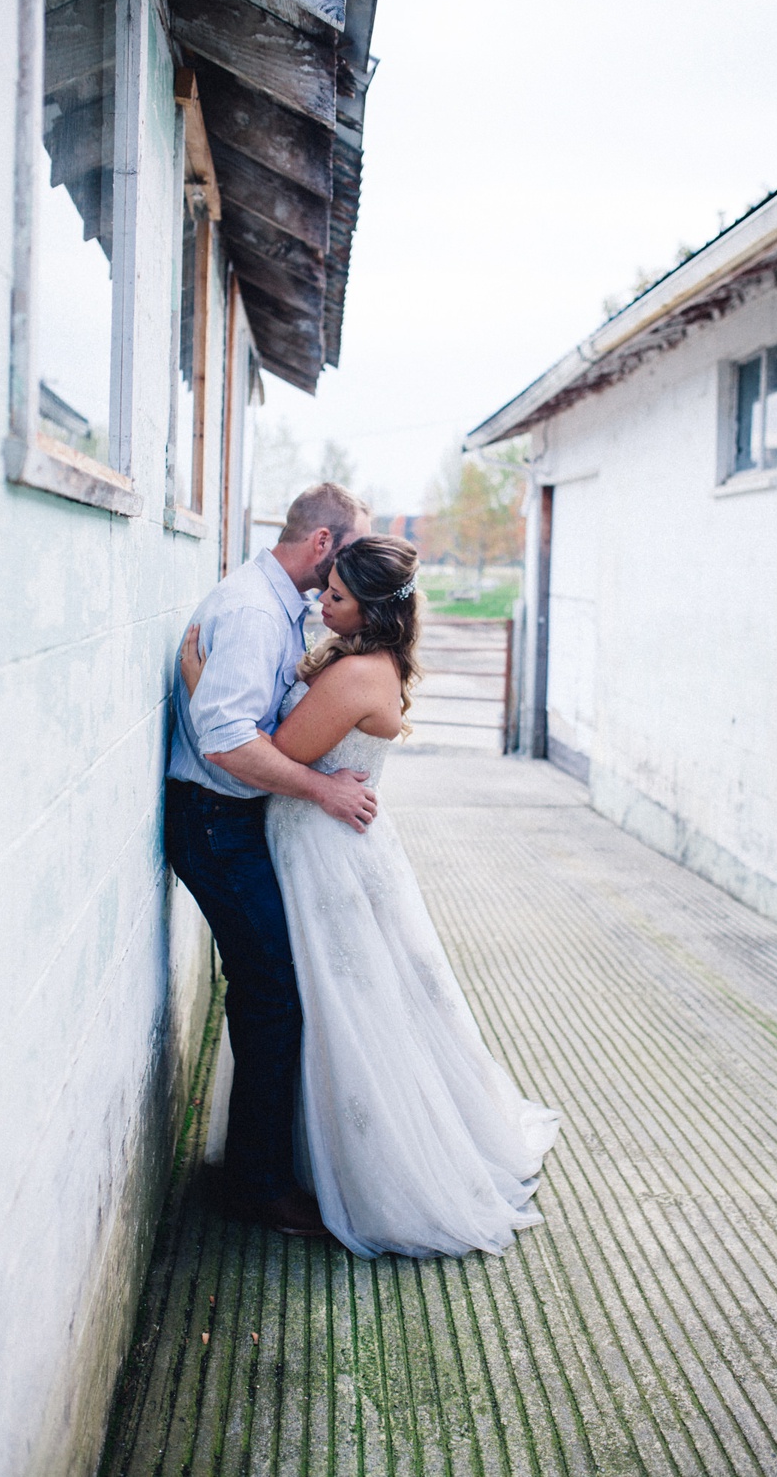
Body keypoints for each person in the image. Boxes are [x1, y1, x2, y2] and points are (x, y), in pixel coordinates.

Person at [182, 534, 560, 1258]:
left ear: (373, 612)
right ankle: (298, 1159)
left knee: (346, 1005)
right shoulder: (360, 662)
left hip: (324, 855)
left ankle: (375, 1172)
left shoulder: (356, 675)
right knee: (335, 1004)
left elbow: (276, 753)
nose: (320, 602)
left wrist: (205, 685)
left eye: (337, 597)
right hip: (319, 841)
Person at [164, 484, 373, 1239]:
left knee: (271, 989)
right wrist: (322, 789)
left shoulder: (280, 607)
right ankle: (256, 1185)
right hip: (215, 824)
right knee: (274, 994)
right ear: (323, 545)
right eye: (349, 555)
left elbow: (238, 719)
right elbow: (224, 741)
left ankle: (256, 1166)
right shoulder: (256, 613)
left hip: (234, 819)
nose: (350, 577)